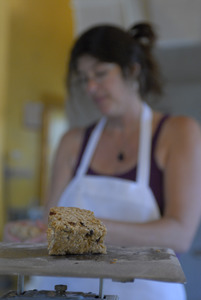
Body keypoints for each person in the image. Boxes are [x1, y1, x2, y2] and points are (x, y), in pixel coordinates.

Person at [22, 23, 201, 299]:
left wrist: (85, 229)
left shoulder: (178, 133)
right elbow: (50, 226)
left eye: (101, 74)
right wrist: (26, 233)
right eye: (84, 78)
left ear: (132, 70)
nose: (91, 87)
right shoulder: (73, 142)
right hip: (64, 290)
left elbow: (179, 236)